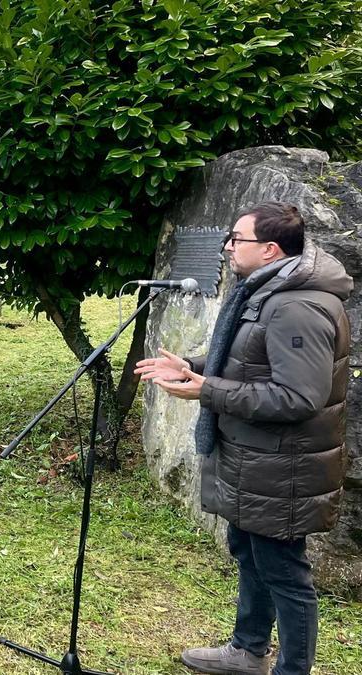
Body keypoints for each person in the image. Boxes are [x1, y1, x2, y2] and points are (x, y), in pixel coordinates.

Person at [135, 202, 351, 675]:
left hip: (283, 467)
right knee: (250, 554)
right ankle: (247, 651)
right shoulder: (266, 291)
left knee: (283, 572)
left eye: (237, 239)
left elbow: (298, 397)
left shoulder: (299, 307)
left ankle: (291, 669)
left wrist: (206, 389)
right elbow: (250, 363)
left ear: (270, 249)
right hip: (253, 461)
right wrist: (192, 367)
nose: (228, 247)